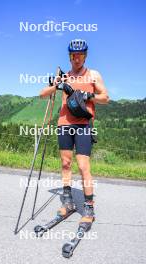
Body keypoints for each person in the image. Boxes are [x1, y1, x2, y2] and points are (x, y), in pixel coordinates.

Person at [40, 39, 109, 229]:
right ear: (69, 56)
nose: (76, 58)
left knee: (83, 165)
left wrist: (89, 96)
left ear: (85, 56)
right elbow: (42, 94)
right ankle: (68, 202)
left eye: (80, 55)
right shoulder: (64, 76)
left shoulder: (93, 75)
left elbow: (106, 98)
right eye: (73, 55)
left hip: (83, 125)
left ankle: (88, 207)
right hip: (64, 124)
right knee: (65, 163)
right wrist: (57, 85)